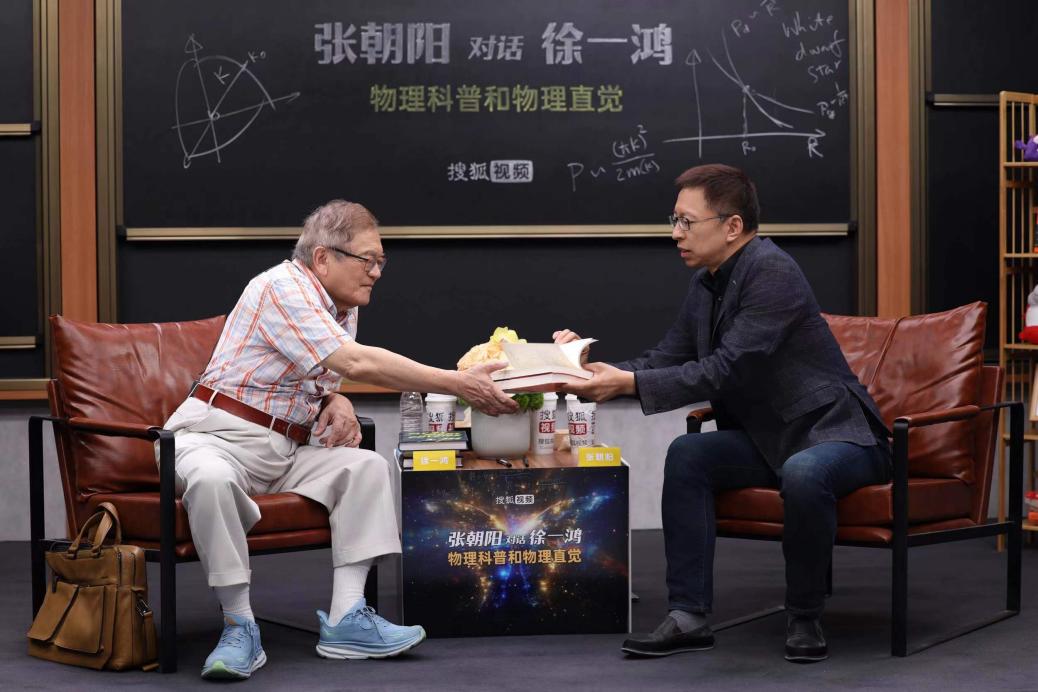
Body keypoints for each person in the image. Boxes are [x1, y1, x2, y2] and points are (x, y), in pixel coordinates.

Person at [161, 200, 517, 680]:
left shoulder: (339, 307)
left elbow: (319, 373)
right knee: (211, 479)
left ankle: (348, 619)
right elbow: (355, 362)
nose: (376, 273)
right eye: (367, 260)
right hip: (216, 436)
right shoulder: (281, 287)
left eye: (381, 261)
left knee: (365, 466)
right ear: (323, 258)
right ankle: (238, 625)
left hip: (285, 447)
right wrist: (457, 383)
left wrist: (337, 399)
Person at [554, 164, 890, 663]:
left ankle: (804, 614)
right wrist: (586, 369)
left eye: (687, 222)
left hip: (834, 433)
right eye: (674, 220)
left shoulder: (772, 272)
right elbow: (666, 357)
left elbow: (726, 368)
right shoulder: (707, 284)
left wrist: (628, 384)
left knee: (805, 471)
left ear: (732, 226)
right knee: (688, 454)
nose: (676, 233)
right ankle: (688, 615)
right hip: (770, 438)